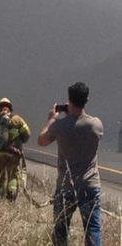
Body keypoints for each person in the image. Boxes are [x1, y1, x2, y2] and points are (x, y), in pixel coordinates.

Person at [38, 82, 103, 246]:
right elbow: (82, 124)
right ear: (86, 99)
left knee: (61, 229)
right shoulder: (95, 125)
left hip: (66, 186)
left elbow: (42, 140)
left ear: (69, 99)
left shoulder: (60, 127)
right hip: (90, 184)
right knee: (92, 230)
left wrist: (52, 119)